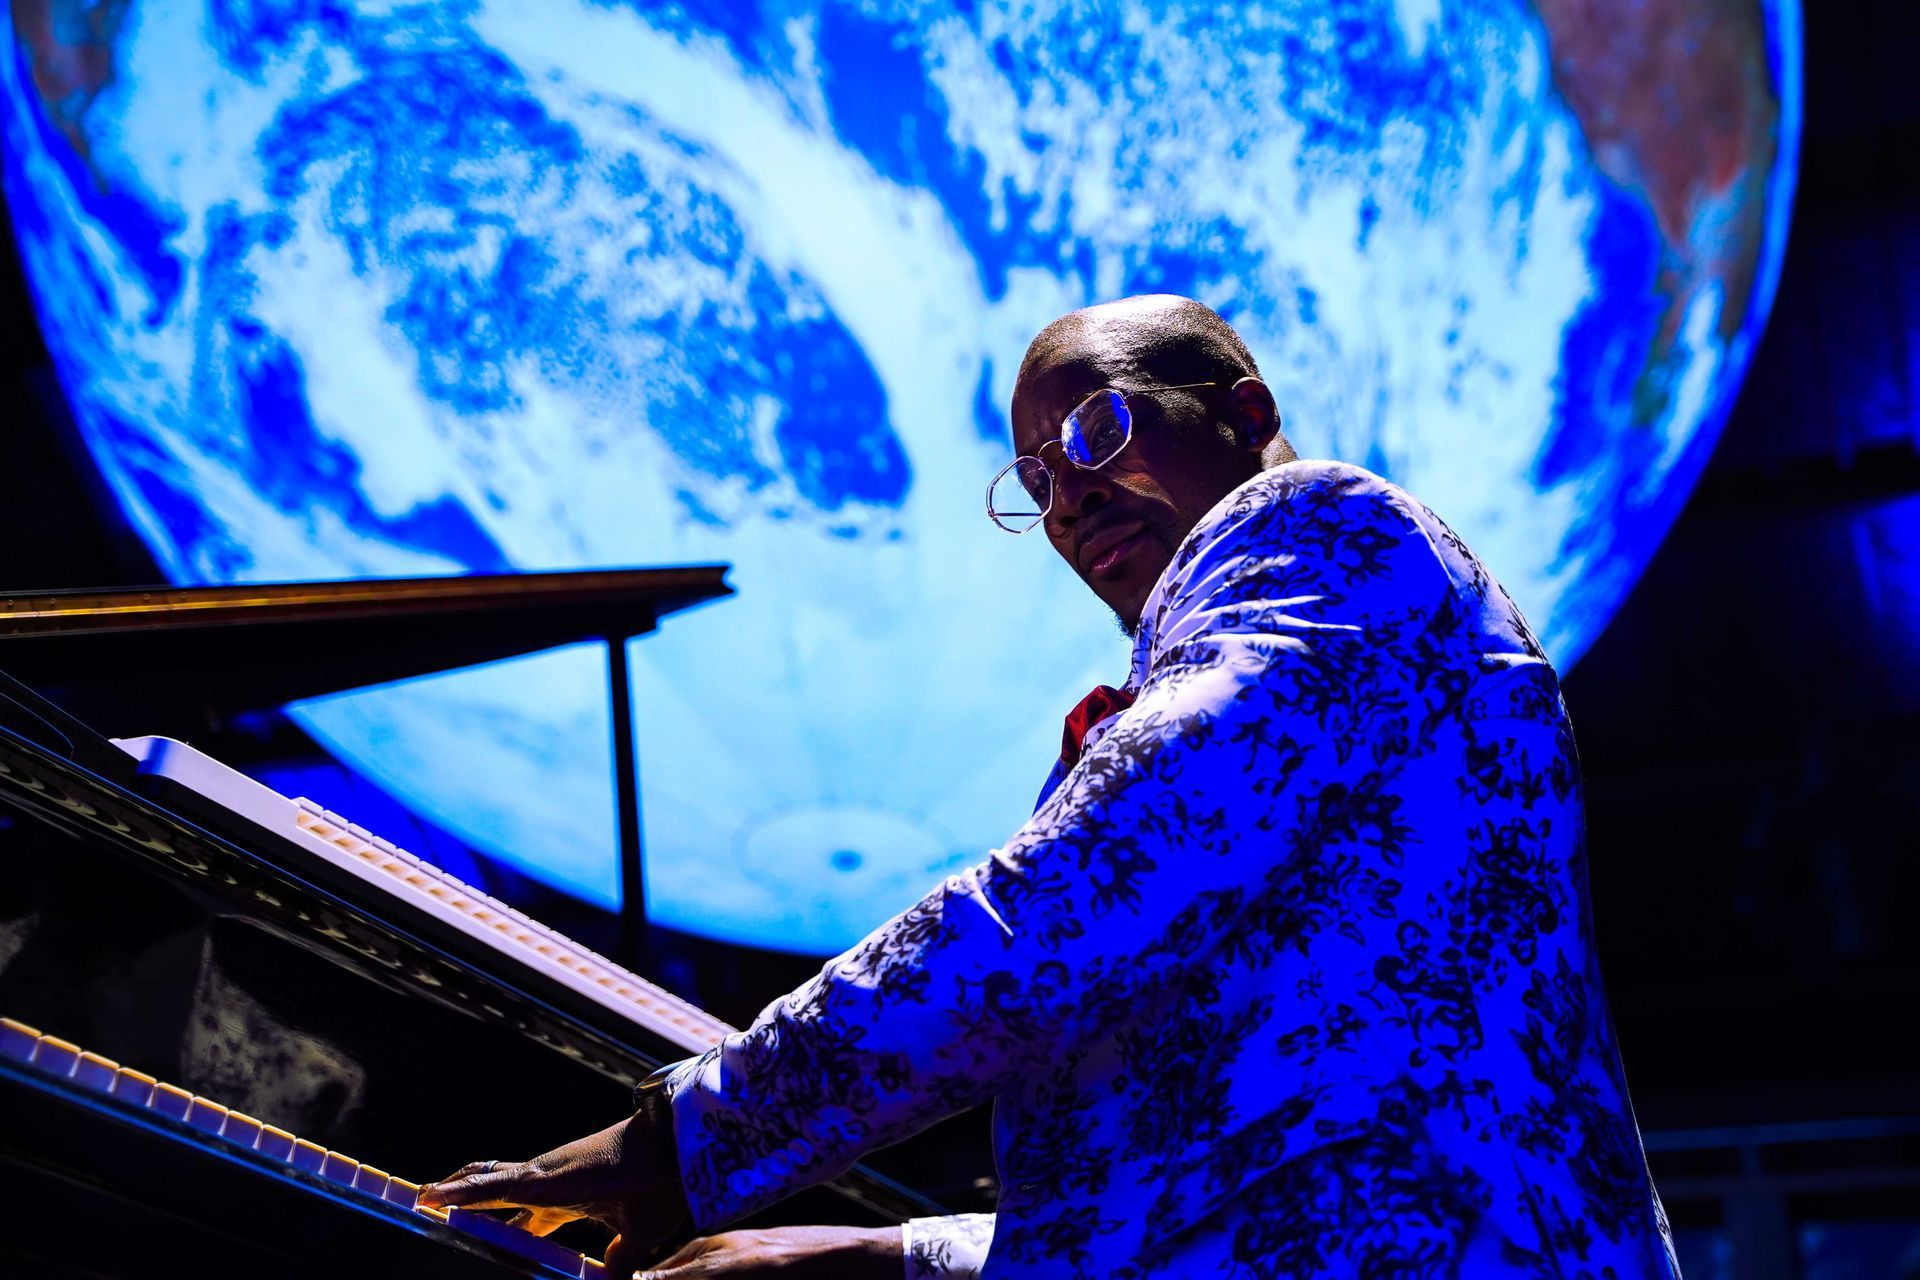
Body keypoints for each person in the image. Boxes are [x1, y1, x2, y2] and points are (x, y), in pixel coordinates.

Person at [421, 295, 1681, 1279]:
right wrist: (884, 1254)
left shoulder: (1319, 536)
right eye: (1035, 479)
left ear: (1243, 412)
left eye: (1095, 432)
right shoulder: (1285, 659)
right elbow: (1240, 1151)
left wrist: (688, 1138)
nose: (1067, 496)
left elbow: (1071, 907)